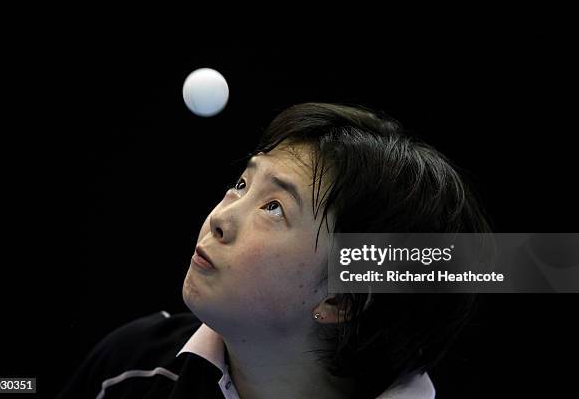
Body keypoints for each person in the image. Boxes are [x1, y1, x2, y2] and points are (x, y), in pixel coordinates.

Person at [58, 103, 491, 398]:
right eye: (242, 184)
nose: (220, 219)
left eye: (273, 208)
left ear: (340, 298)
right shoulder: (131, 367)